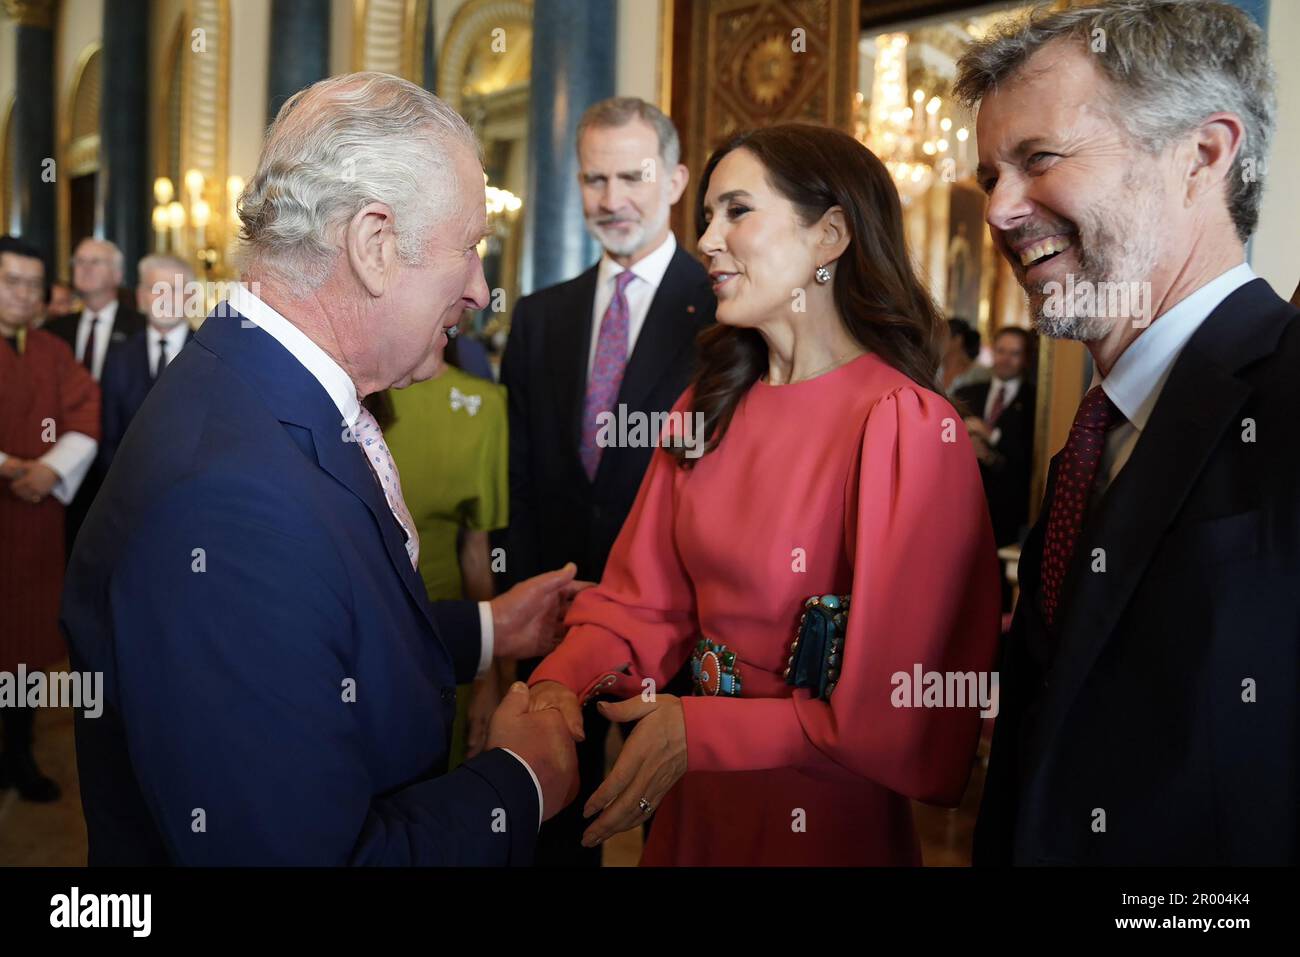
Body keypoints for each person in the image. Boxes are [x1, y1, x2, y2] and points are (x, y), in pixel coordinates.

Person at [61, 74, 582, 865]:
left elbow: (312, 637)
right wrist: (520, 781)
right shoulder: (231, 505)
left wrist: (485, 628)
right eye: (469, 246)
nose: (480, 286)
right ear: (375, 245)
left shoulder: (256, 381)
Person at [526, 124, 1000, 865]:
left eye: (737, 212)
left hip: (822, 815)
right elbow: (641, 604)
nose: (708, 240)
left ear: (831, 235)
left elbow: (904, 710)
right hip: (691, 798)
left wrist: (702, 730)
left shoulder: (905, 426)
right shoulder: (702, 406)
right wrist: (559, 683)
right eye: (707, 216)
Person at [959, 0, 1298, 865]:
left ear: (1202, 154)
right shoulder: (1091, 436)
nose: (998, 212)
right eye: (989, 177)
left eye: (1039, 159)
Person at [500, 96, 715, 865]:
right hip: (556, 613)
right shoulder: (537, 317)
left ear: (676, 179)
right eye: (595, 179)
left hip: (681, 620)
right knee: (553, 824)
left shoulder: (726, 313)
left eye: (633, 176)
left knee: (681, 829)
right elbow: (521, 477)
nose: (612, 199)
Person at [0, 235, 100, 803]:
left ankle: (20, 750)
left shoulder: (52, 353)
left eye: (33, 285)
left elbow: (85, 411)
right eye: (11, 281)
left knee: (26, 651)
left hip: (36, 525)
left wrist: (50, 470)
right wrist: (11, 465)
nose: (23, 295)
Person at [383, 332, 511, 769]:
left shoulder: (483, 406)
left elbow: (479, 555)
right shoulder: (354, 389)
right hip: (355, 630)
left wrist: (487, 676)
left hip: (444, 631)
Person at [43, 238, 145, 558]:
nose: (83, 269)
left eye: (94, 262)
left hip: (120, 464)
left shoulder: (141, 329)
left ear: (117, 275)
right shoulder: (54, 330)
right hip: (63, 465)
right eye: (78, 262)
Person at [97, 254, 195, 472]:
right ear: (141, 298)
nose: (164, 298)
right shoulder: (118, 357)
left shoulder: (213, 357)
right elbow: (108, 436)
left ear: (191, 297)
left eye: (174, 289)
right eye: (156, 289)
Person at [957, 326, 1036, 549]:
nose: (1006, 359)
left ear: (1026, 358)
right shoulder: (967, 393)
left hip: (1007, 513)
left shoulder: (1036, 401)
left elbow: (1031, 455)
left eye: (1014, 353)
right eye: (1001, 351)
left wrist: (991, 436)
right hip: (964, 504)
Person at [941, 317, 988, 396]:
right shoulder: (934, 369)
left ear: (957, 340)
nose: (935, 341)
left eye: (942, 336)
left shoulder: (980, 374)